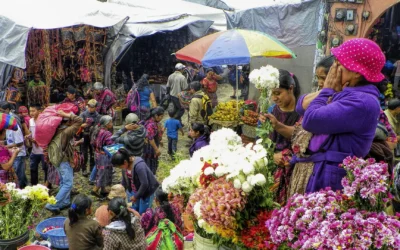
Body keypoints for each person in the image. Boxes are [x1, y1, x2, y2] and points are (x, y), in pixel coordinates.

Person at [295, 38, 383, 193]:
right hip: (323, 170)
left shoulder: (362, 102)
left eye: (339, 63)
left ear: (356, 72)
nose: (334, 69)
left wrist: (327, 91)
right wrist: (327, 91)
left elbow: (310, 120)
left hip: (332, 178)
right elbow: (301, 105)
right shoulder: (346, 92)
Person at [259, 70, 301, 204]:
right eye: (271, 94)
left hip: (294, 168)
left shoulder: (303, 111)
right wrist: (272, 156)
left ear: (290, 88)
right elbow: (261, 140)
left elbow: (301, 136)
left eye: (277, 93)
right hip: (273, 166)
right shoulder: (271, 111)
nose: (274, 98)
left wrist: (277, 125)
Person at [45, 110, 83, 213]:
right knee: (68, 184)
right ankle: (53, 204)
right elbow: (80, 120)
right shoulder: (67, 131)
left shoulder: (56, 130)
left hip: (55, 158)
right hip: (63, 160)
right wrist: (66, 114)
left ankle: (65, 202)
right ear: (69, 121)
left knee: (63, 181)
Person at [111, 148, 159, 214]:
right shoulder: (125, 166)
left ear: (125, 162)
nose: (120, 168)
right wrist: (120, 189)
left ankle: (143, 221)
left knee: (143, 212)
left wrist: (136, 196)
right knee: (133, 209)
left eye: (120, 167)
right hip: (134, 189)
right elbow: (124, 180)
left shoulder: (139, 166)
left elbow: (145, 184)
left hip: (146, 191)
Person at [90, 115, 114, 198]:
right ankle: (95, 189)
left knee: (100, 171)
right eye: (110, 122)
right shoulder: (107, 133)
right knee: (103, 173)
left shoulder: (97, 130)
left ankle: (103, 190)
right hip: (104, 156)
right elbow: (111, 146)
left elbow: (92, 142)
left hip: (97, 154)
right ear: (106, 124)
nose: (112, 123)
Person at [26, 104, 48, 186]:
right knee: (33, 168)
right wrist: (29, 137)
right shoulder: (30, 121)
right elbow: (31, 132)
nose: (31, 113)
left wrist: (38, 140)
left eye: (33, 111)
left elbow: (47, 135)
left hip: (43, 150)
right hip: (34, 150)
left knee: (46, 169)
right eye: (30, 111)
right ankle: (34, 186)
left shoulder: (44, 121)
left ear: (39, 111)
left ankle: (47, 186)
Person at [79, 99, 101, 177]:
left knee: (92, 153)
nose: (90, 108)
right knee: (84, 153)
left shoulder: (98, 116)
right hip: (85, 135)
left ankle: (92, 169)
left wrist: (94, 127)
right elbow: (77, 124)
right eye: (89, 106)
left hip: (93, 136)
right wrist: (83, 125)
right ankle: (84, 169)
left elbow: (99, 126)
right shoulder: (83, 114)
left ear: (95, 107)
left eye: (92, 107)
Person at [142, 107, 164, 174]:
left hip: (153, 146)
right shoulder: (151, 125)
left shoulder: (156, 122)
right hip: (149, 148)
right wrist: (156, 149)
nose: (162, 118)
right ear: (156, 116)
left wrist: (160, 140)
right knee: (150, 163)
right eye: (161, 116)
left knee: (153, 162)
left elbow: (158, 136)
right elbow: (150, 138)